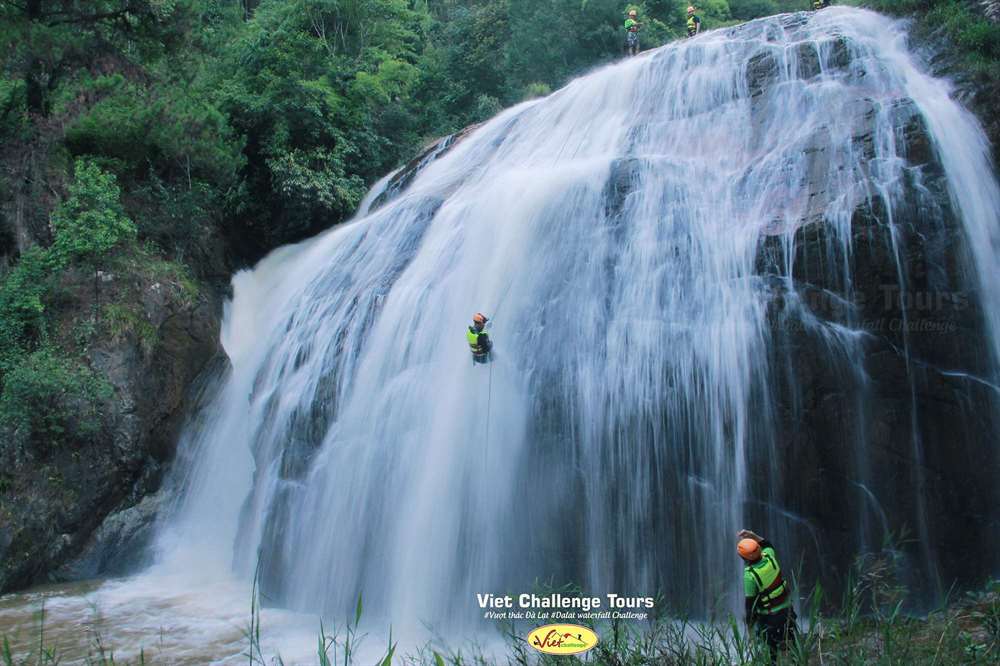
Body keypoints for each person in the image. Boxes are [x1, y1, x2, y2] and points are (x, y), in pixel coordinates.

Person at [738, 529, 797, 665]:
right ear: (759, 549)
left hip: (770, 619)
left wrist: (749, 627)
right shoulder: (770, 555)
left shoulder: (750, 575)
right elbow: (767, 543)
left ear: (744, 558)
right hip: (788, 612)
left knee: (770, 654)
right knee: (793, 645)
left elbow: (750, 605)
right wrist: (753, 535)